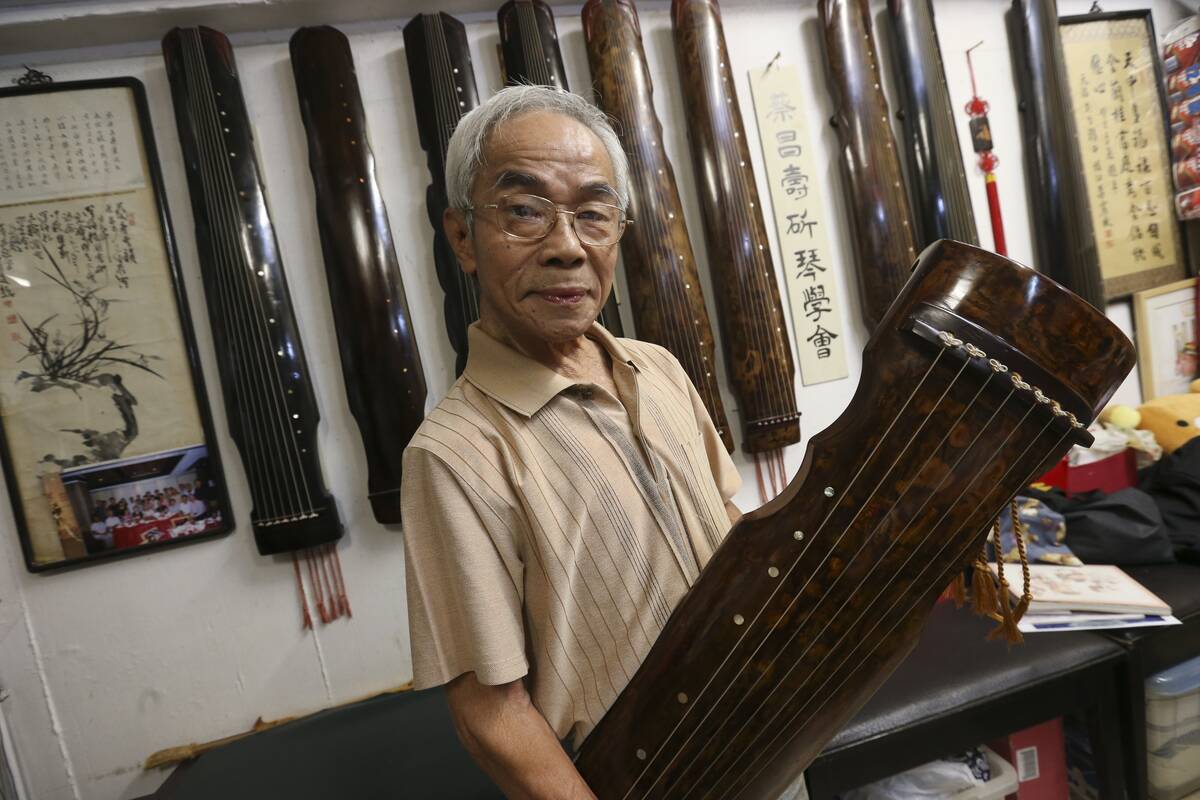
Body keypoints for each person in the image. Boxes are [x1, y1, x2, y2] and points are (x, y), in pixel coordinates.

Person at [400, 85, 741, 798]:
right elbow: (491, 713)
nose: (566, 247)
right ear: (462, 237)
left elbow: (731, 535)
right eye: (524, 211)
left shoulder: (659, 369)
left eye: (593, 213)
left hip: (770, 743)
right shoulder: (455, 452)